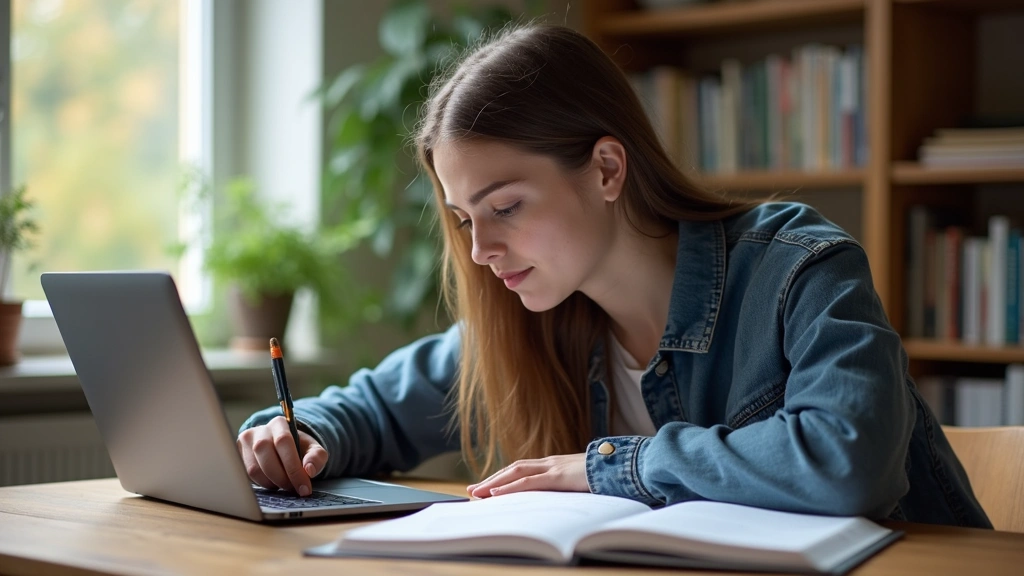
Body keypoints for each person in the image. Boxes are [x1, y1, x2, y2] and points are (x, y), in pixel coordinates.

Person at [236, 24, 990, 528]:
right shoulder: (536, 314)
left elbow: (847, 460)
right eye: (466, 220)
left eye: (505, 206)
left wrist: (611, 468)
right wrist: (293, 435)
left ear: (605, 168)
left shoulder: (795, 267)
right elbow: (365, 411)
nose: (480, 251)